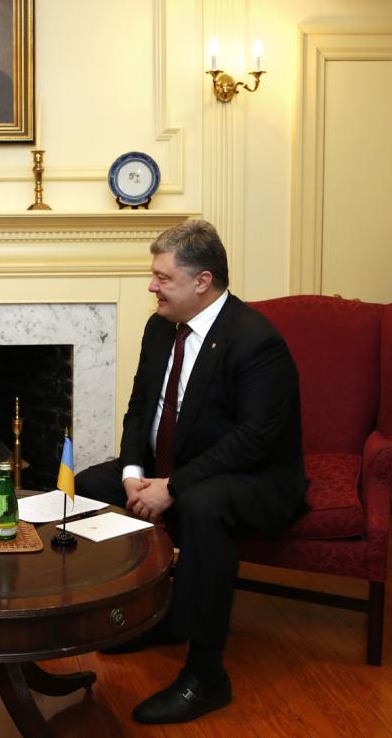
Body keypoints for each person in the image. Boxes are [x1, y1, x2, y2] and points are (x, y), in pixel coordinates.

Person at [74, 220, 308, 724]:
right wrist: (135, 472)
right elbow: (139, 408)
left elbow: (255, 440)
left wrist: (173, 487)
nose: (151, 286)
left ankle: (206, 676)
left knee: (202, 505)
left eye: (162, 277)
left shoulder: (255, 341)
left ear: (203, 281)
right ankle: (156, 614)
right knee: (88, 486)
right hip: (169, 466)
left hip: (255, 478)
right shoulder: (160, 327)